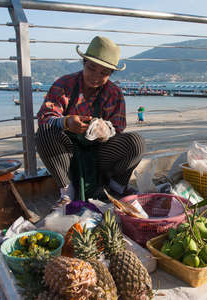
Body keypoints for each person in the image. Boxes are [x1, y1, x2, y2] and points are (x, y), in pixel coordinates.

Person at [36, 36, 145, 209]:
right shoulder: (64, 84)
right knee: (45, 130)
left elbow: (118, 128)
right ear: (83, 62)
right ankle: (67, 192)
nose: (95, 76)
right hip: (67, 154)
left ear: (111, 74)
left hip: (100, 154)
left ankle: (116, 188)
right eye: (91, 68)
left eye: (104, 73)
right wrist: (66, 122)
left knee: (136, 142)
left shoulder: (114, 93)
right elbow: (45, 116)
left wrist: (105, 131)